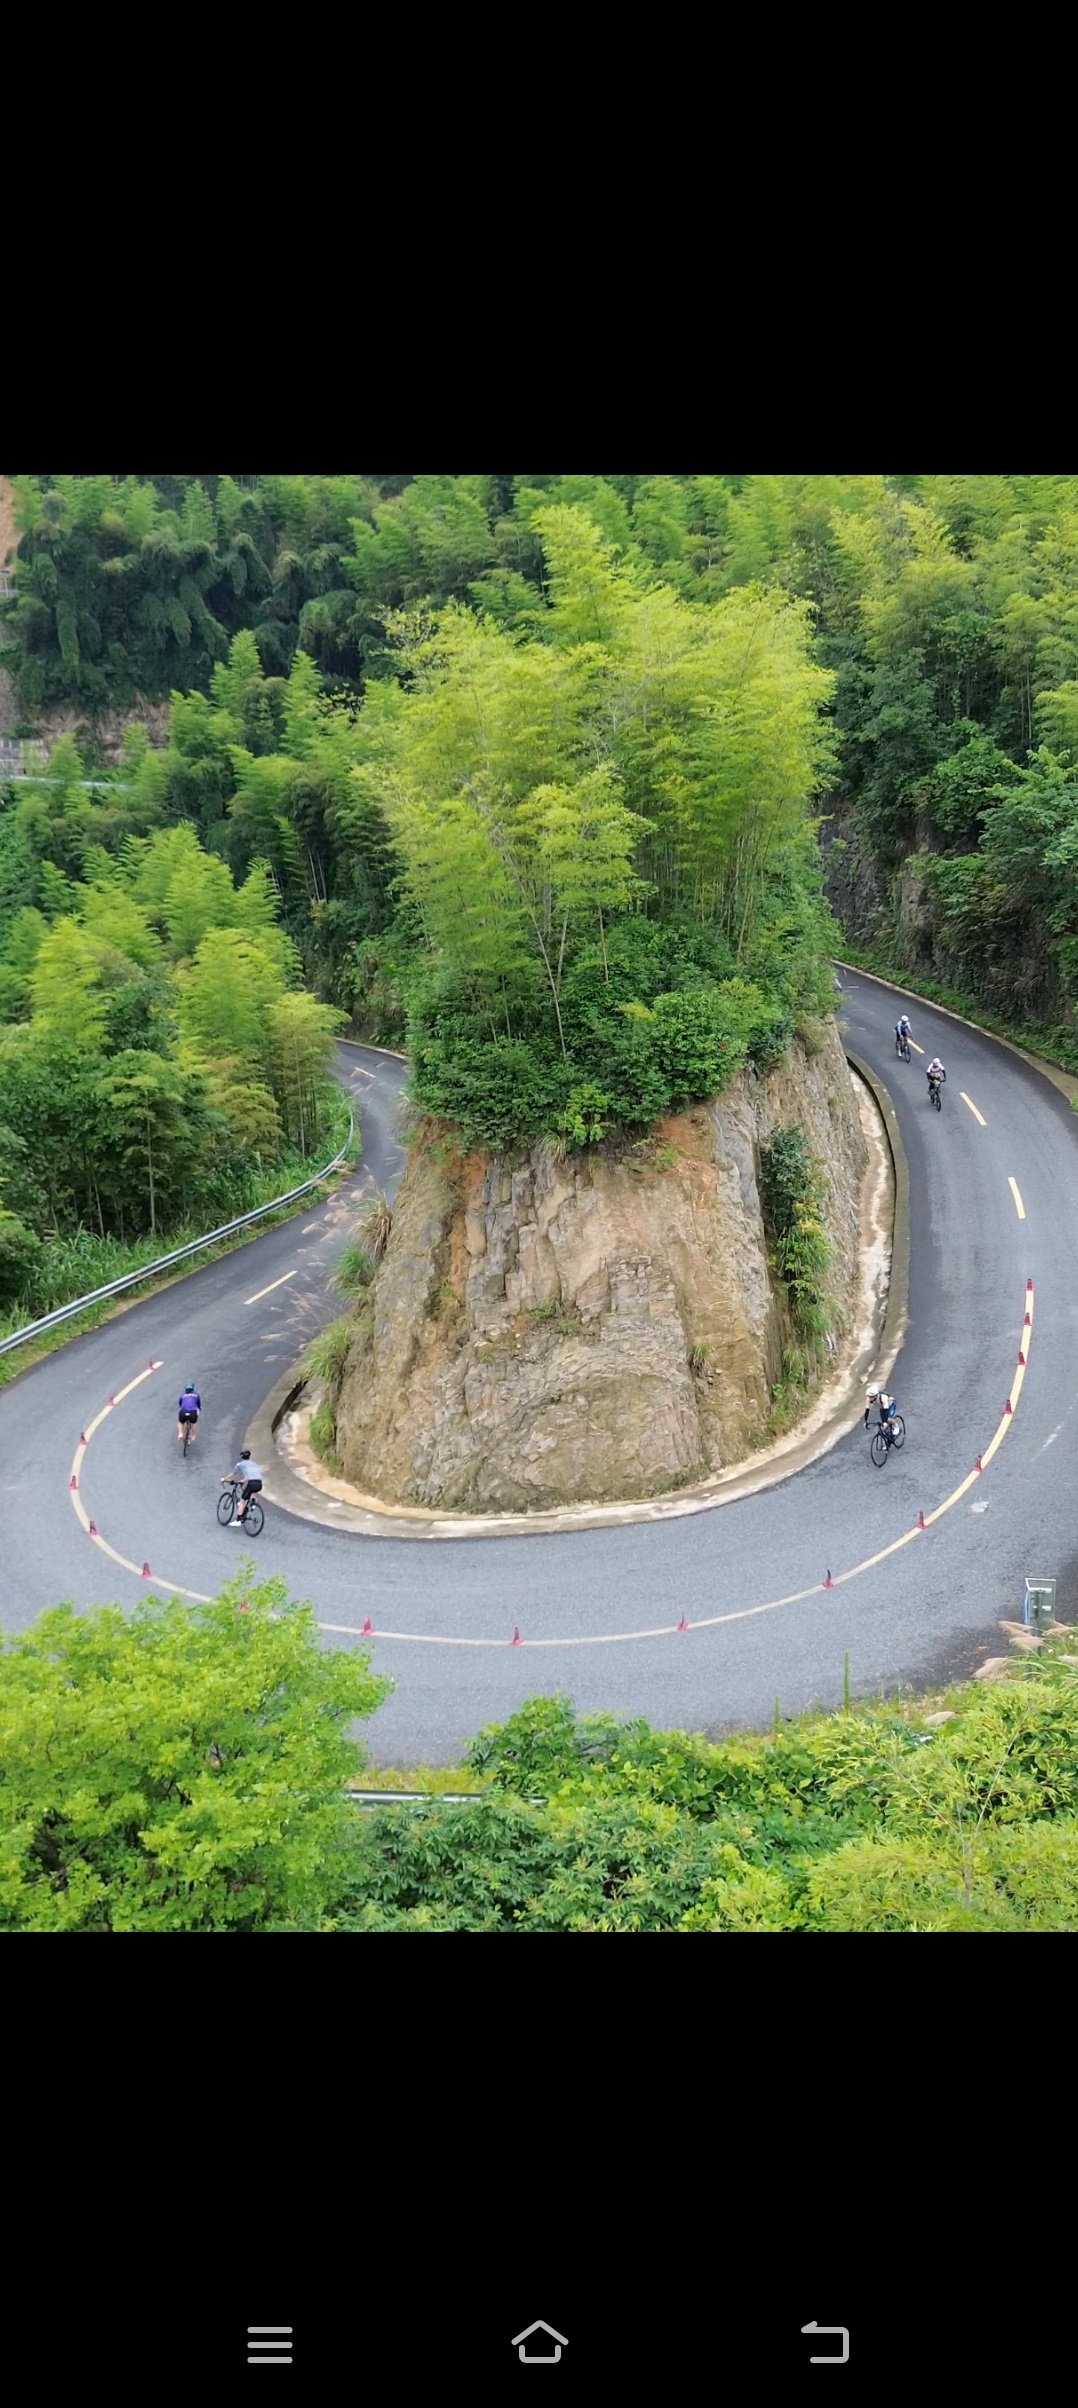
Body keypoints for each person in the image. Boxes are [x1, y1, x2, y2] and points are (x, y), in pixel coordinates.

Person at [223, 1446, 263, 1526]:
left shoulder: (240, 1464)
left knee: (242, 1501)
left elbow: (233, 1474)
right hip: (259, 1483)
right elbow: (251, 1475)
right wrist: (243, 1480)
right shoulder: (254, 1464)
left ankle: (238, 1520)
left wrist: (224, 1479)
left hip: (251, 1483)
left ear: (242, 1457)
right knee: (252, 1492)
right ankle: (252, 1505)